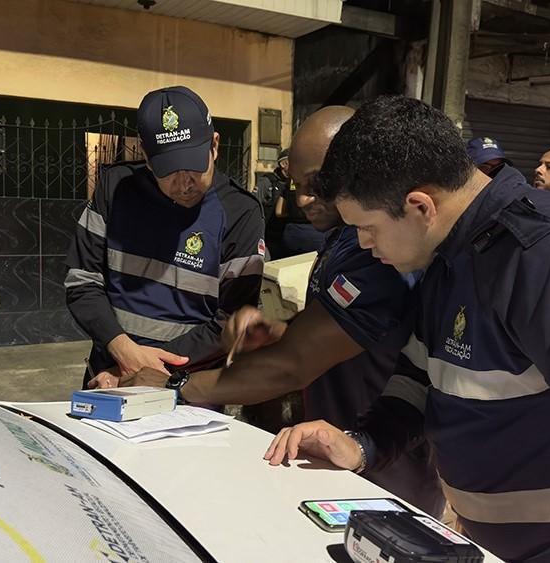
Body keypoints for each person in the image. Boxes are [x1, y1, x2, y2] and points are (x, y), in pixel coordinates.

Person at [268, 95, 550, 560]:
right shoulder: (449, 255)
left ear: (419, 206)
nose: (364, 245)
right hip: (483, 543)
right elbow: (421, 379)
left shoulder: (547, 258)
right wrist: (361, 446)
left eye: (367, 227)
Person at [118, 106, 444, 517]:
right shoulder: (345, 240)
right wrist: (279, 331)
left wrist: (175, 387)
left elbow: (292, 366)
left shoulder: (381, 251)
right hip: (331, 453)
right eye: (296, 184)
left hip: (386, 472)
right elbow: (331, 332)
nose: (302, 198)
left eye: (317, 184)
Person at [65, 85, 265, 388]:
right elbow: (82, 282)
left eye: (195, 167)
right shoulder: (115, 190)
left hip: (188, 385)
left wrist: (139, 370)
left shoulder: (240, 213)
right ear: (145, 154)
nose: (184, 184)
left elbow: (230, 321)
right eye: (168, 171)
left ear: (214, 145)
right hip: (106, 376)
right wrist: (120, 348)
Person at [274, 149, 328, 256]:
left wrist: (294, 213)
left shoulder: (291, 180)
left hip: (291, 233)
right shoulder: (320, 177)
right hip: (315, 234)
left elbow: (279, 212)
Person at [254, 148, 290, 259]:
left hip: (286, 237)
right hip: (269, 238)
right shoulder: (267, 182)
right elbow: (254, 205)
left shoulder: (294, 182)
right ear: (283, 164)